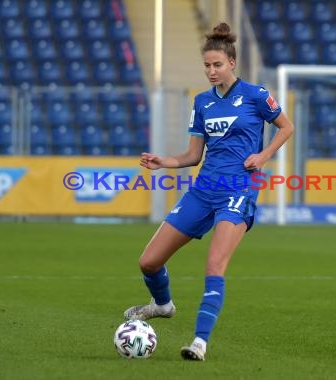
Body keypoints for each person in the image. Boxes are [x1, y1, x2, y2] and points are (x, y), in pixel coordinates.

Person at [123, 22, 294, 361]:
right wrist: (164, 162)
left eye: (217, 64)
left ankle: (199, 342)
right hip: (203, 190)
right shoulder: (201, 102)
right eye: (207, 65)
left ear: (232, 63)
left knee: (215, 266)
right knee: (149, 261)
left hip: (238, 190)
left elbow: (286, 126)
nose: (211, 71)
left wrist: (263, 155)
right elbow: (192, 155)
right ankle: (162, 305)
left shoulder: (257, 96)